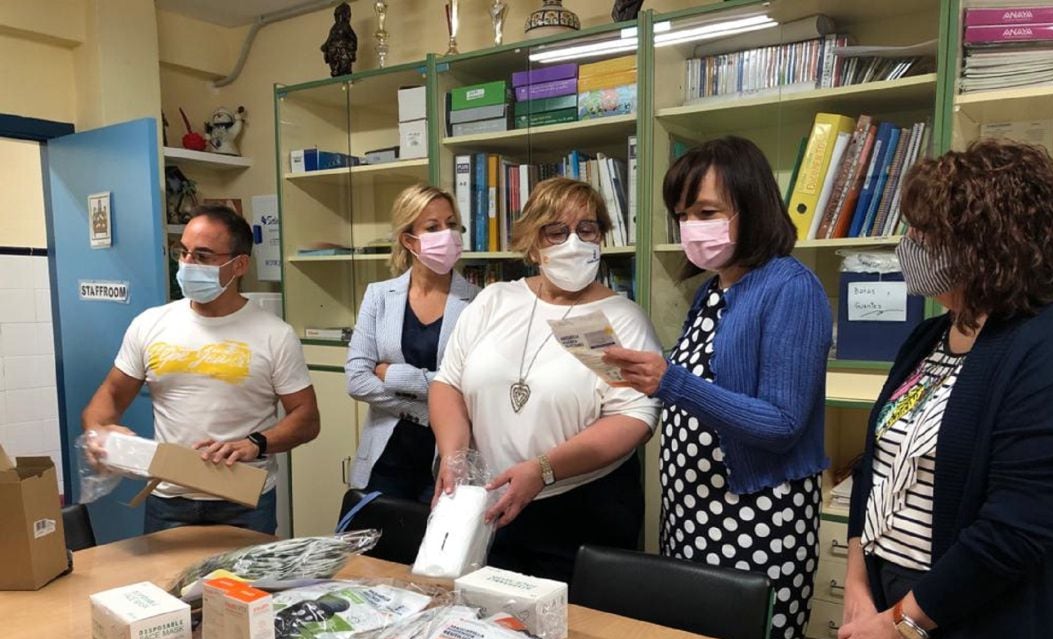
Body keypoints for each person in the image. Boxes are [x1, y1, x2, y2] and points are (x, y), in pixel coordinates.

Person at [838, 140, 1053, 639]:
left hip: (981, 638)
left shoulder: (1048, 347)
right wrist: (858, 588)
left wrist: (904, 623)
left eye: (925, 232)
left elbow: (1017, 528)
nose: (908, 244)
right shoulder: (930, 337)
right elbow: (875, 469)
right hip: (900, 620)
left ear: (985, 242)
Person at [605, 136, 832, 639]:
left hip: (754, 518)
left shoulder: (790, 288)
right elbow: (700, 386)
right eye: (683, 214)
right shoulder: (716, 287)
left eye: (707, 211)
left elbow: (781, 423)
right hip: (692, 513)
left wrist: (672, 382)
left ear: (750, 207)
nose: (692, 228)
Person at [429, 176, 662, 583]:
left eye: (586, 229)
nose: (574, 242)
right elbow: (447, 383)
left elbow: (635, 419)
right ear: (532, 243)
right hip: (486, 504)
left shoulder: (621, 318)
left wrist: (543, 468)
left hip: (580, 509)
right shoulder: (494, 301)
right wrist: (454, 457)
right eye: (557, 231)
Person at [83, 205, 319, 535]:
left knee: (247, 588)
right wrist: (100, 431)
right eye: (184, 253)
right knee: (166, 587)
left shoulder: (274, 334)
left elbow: (306, 418)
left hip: (244, 502)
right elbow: (109, 396)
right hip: (169, 499)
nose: (188, 265)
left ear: (238, 264)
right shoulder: (150, 324)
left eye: (203, 256)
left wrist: (256, 443)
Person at [345, 184, 478, 501]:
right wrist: (429, 408)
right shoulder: (379, 296)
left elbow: (471, 386)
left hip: (447, 459)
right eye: (433, 227)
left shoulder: (478, 302)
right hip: (385, 457)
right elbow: (357, 380)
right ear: (408, 239)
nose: (446, 234)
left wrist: (394, 375)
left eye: (452, 225)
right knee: (375, 548)